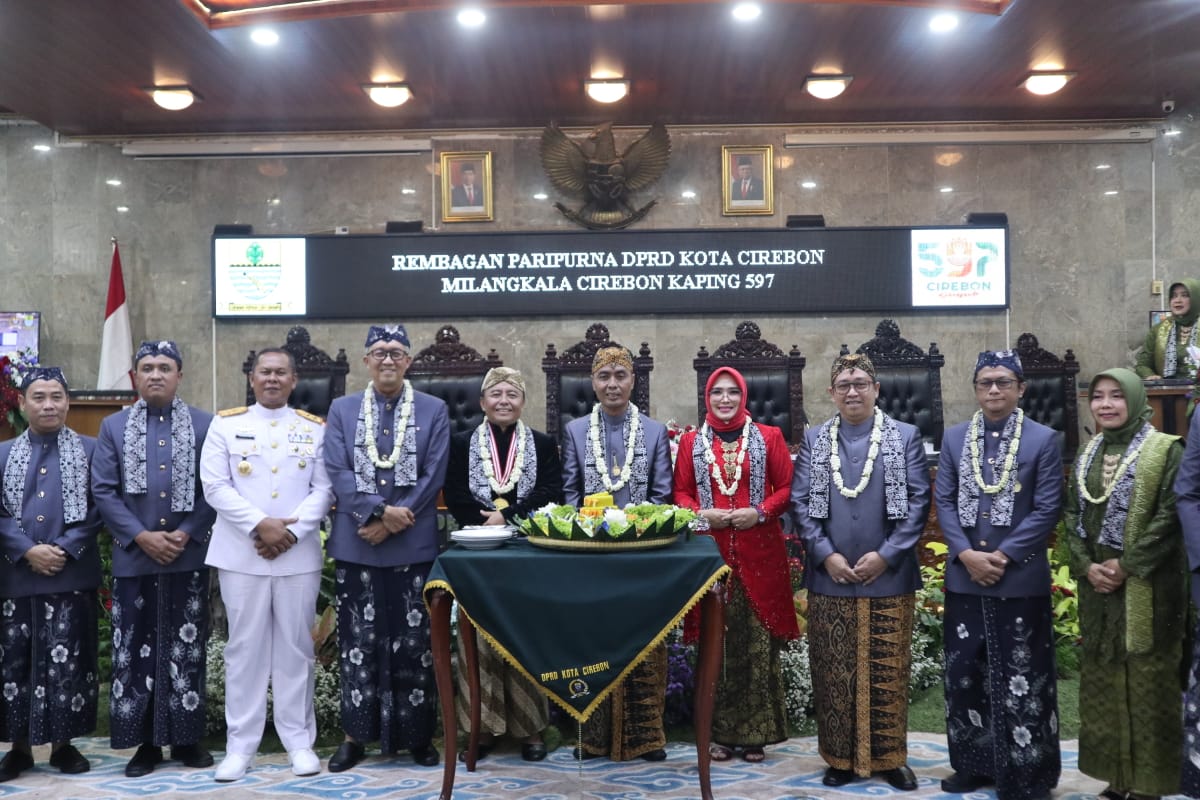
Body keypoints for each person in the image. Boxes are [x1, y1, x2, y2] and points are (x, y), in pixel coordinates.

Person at [790, 352, 929, 791]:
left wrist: (887, 555)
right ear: (831, 393)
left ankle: (891, 758)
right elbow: (800, 504)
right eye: (844, 384)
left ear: (877, 390)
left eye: (860, 383)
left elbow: (917, 501)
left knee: (889, 668)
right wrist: (826, 554)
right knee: (833, 670)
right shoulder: (815, 439)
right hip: (831, 577)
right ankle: (839, 757)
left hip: (888, 576)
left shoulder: (904, 436)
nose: (852, 391)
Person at [199, 348, 334, 782]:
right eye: (264, 372)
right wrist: (261, 526)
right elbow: (215, 486)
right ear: (251, 377)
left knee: (296, 647)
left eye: (281, 373)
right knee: (244, 649)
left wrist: (291, 533)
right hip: (242, 553)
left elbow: (325, 488)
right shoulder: (226, 424)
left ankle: (299, 743)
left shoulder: (314, 428)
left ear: (294, 381)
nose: (272, 379)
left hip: (297, 554)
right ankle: (240, 747)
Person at [934, 350, 1063, 800]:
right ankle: (973, 765)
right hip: (965, 577)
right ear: (975, 388)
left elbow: (1047, 508)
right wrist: (966, 553)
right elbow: (945, 502)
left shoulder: (1044, 440)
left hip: (1019, 578)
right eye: (986, 382)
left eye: (1004, 382)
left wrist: (1003, 556)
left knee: (1023, 676)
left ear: (1021, 388)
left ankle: (1029, 774)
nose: (994, 390)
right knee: (966, 674)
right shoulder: (953, 439)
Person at [323, 324, 450, 772]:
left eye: (397, 352)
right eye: (379, 352)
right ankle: (356, 737)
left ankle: (417, 737)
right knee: (358, 642)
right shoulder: (342, 409)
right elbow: (337, 469)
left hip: (412, 544)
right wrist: (375, 513)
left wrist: (395, 520)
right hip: (358, 542)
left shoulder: (433, 409)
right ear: (366, 361)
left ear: (410, 361)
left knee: (414, 644)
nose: (388, 360)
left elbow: (434, 473)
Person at [91, 341, 217, 777]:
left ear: (180, 375)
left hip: (188, 556)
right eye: (147, 368)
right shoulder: (113, 427)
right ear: (135, 377)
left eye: (165, 367)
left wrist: (183, 533)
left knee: (187, 649)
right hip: (135, 559)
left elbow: (213, 489)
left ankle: (186, 739)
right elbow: (104, 491)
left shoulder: (205, 424)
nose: (156, 374)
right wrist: (142, 536)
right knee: (134, 651)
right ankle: (144, 744)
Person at [1064, 368, 1187, 800]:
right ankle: (1117, 778)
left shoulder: (1165, 450)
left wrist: (1128, 565)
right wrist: (1086, 566)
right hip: (1099, 593)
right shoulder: (1087, 453)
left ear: (1137, 401)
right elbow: (1071, 516)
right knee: (1105, 676)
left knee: (1148, 684)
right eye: (1098, 397)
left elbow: (1172, 516)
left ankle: (1150, 785)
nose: (1106, 405)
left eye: (1117, 396)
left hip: (1149, 591)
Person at [671, 366, 798, 764]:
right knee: (716, 642)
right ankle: (719, 733)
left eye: (732, 393)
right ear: (706, 399)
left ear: (743, 397)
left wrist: (759, 512)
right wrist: (700, 515)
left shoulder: (768, 437)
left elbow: (789, 488)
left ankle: (756, 734)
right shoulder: (691, 442)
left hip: (760, 553)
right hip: (708, 555)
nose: (724, 400)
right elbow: (680, 492)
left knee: (756, 642)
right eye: (716, 394)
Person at [443, 366, 561, 762]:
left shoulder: (542, 444)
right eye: (496, 394)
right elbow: (456, 493)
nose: (504, 401)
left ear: (523, 402)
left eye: (512, 394)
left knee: (525, 634)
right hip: (477, 553)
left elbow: (550, 492)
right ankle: (482, 728)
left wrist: (506, 517)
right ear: (482, 402)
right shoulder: (460, 443)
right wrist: (485, 523)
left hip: (525, 551)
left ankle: (531, 730)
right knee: (477, 639)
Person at [561, 345, 672, 762]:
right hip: (592, 557)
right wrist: (593, 532)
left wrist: (634, 530)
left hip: (642, 558)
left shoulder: (655, 431)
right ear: (593, 383)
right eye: (604, 376)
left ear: (633, 380)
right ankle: (591, 738)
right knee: (592, 644)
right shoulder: (574, 432)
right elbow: (571, 497)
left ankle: (647, 738)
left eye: (620, 375)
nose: (612, 384)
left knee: (646, 644)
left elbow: (661, 497)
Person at [0, 367, 103, 781]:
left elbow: (102, 507)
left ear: (68, 402)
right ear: (23, 404)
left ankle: (64, 745)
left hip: (70, 572)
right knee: (14, 663)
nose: (48, 404)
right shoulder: (2, 454)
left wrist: (63, 548)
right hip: (16, 575)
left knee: (70, 660)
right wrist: (27, 549)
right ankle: (18, 748)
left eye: (56, 396)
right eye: (38, 397)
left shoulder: (93, 450)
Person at [1135, 278, 1200, 380]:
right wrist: (1150, 375)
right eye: (1173, 296)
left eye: (1184, 295)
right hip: (1167, 392)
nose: (1177, 300)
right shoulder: (1158, 329)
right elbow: (1142, 365)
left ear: (1196, 299)